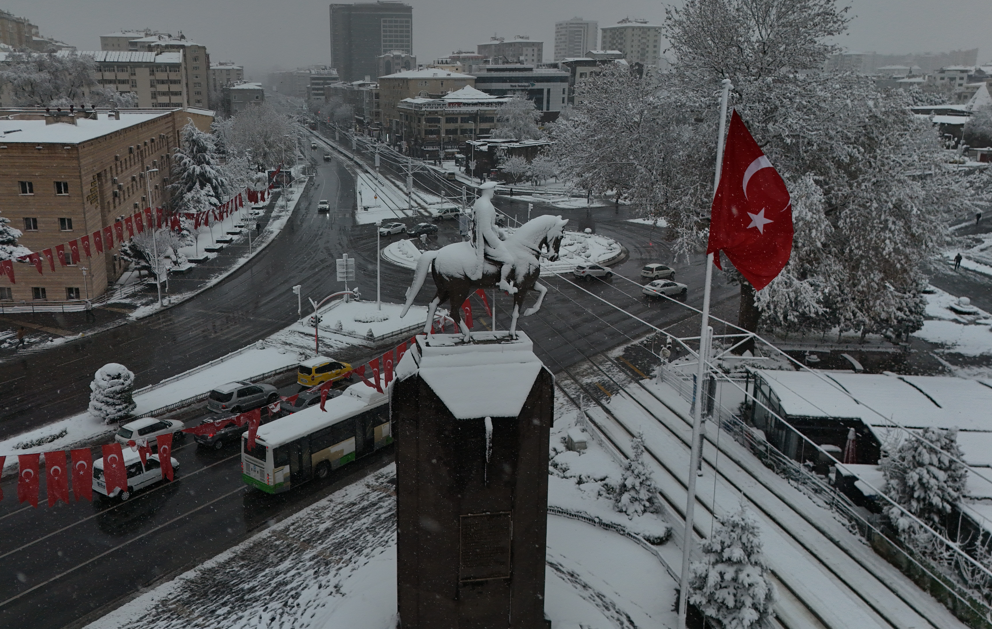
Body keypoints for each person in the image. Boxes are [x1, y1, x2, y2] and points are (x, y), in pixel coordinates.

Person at [471, 181, 516, 293]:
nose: (494, 193)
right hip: (484, 243)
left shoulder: (480, 202)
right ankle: (503, 281)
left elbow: (489, 226)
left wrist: (500, 234)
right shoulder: (486, 206)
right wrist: (497, 244)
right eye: (492, 190)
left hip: (477, 239)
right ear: (487, 191)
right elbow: (486, 230)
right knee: (509, 260)